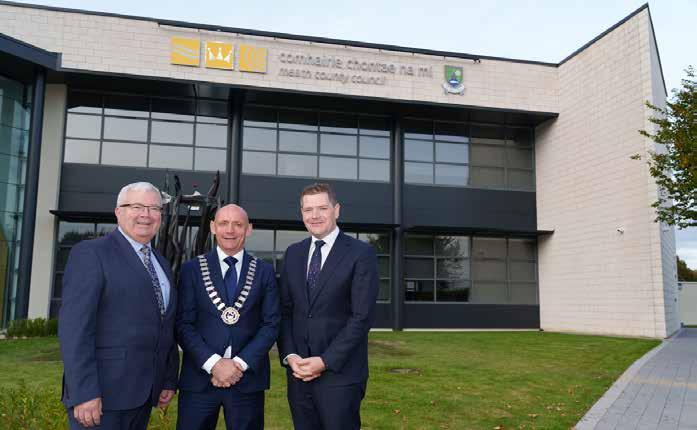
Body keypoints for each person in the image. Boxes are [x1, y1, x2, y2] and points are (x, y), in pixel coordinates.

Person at [58, 182, 179, 430]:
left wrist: (167, 378)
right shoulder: (91, 254)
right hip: (102, 397)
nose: (146, 214)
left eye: (154, 208)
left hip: (143, 395)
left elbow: (165, 324)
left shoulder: (161, 263)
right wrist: (84, 392)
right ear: (118, 212)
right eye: (137, 206)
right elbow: (74, 331)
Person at [278, 183, 379, 430]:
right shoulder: (293, 253)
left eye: (322, 208)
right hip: (299, 375)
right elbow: (285, 311)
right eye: (308, 209)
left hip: (341, 376)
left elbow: (361, 317)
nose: (315, 215)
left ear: (337, 210)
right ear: (301, 213)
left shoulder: (361, 253)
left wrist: (324, 361)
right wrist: (290, 356)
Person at [176, 204, 280, 430]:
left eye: (238, 224)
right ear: (213, 227)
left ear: (249, 229)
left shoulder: (264, 271)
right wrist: (214, 364)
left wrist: (238, 365)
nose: (230, 230)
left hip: (246, 379)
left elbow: (271, 324)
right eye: (223, 223)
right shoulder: (192, 269)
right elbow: (183, 325)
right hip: (200, 378)